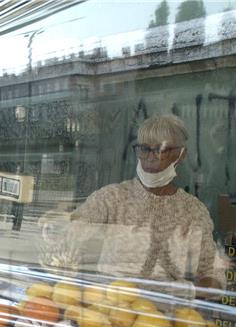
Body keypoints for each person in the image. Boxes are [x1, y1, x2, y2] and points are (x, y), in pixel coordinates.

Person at [69, 114, 222, 290]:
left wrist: (189, 293)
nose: (150, 157)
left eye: (161, 149)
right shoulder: (111, 198)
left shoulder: (193, 210)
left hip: (164, 313)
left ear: (181, 155)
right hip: (110, 307)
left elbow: (211, 274)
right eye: (144, 149)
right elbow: (71, 234)